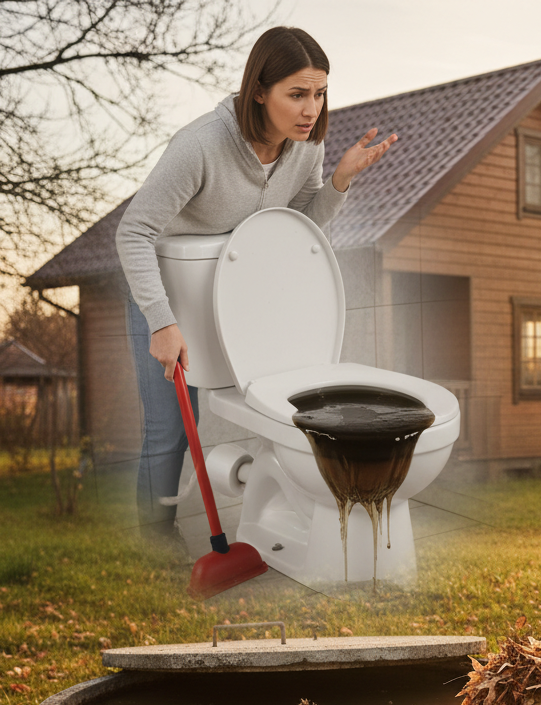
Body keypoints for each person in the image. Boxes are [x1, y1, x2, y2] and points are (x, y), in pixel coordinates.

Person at [116, 26, 397, 547]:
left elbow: (298, 226)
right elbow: (133, 232)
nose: (311, 109)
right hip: (168, 293)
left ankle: (281, 512)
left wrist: (339, 179)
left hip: (237, 289)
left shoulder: (306, 148)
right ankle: (154, 543)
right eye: (297, 94)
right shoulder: (200, 146)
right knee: (170, 431)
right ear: (260, 91)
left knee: (277, 401)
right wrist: (161, 320)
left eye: (320, 94)